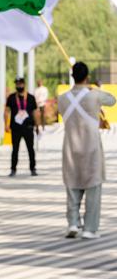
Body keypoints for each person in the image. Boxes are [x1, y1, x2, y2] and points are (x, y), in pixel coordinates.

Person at [58, 62, 116, 239]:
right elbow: (112, 100)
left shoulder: (62, 98)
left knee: (72, 185)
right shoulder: (94, 96)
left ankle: (73, 223)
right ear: (87, 76)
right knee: (93, 187)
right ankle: (90, 228)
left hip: (71, 147)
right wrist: (93, 89)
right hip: (90, 148)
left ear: (72, 76)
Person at [5, 76, 41, 177]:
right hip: (16, 128)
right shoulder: (11, 97)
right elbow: (6, 111)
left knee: (31, 149)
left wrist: (37, 126)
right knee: (15, 149)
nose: (19, 85)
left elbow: (35, 112)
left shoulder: (30, 97)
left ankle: (33, 168)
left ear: (24, 84)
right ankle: (13, 169)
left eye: (20, 83)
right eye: (17, 84)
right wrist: (6, 125)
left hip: (28, 127)